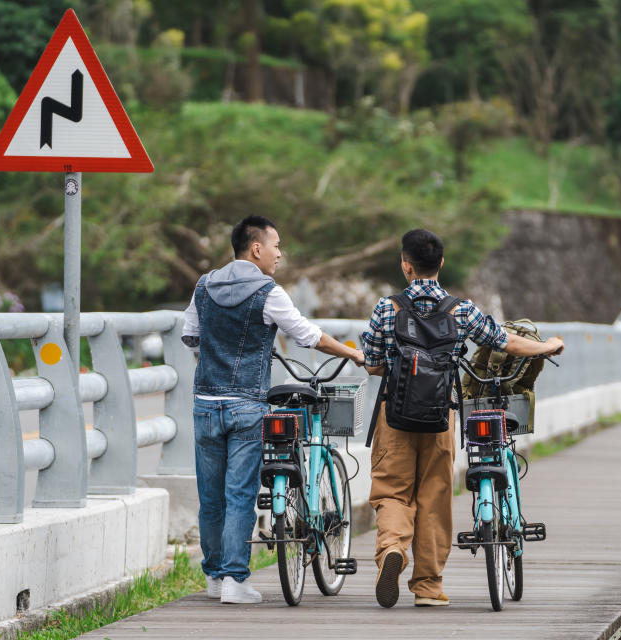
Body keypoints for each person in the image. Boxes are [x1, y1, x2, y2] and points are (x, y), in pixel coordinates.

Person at [361, 229, 563, 609]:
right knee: (433, 497)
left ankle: (393, 550)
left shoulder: (387, 308)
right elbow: (504, 341)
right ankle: (428, 587)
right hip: (441, 415)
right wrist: (547, 345)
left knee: (392, 492)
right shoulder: (460, 309)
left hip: (395, 415)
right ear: (441, 263)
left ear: (406, 265)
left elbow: (372, 364)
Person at [181, 216, 365, 605]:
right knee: (240, 494)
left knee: (210, 497)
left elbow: (190, 334)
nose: (280, 253)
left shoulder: (204, 285)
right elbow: (307, 335)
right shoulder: (269, 292)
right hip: (247, 405)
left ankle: (214, 578)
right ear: (256, 248)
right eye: (276, 245)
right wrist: (353, 353)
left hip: (205, 404)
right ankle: (234, 579)